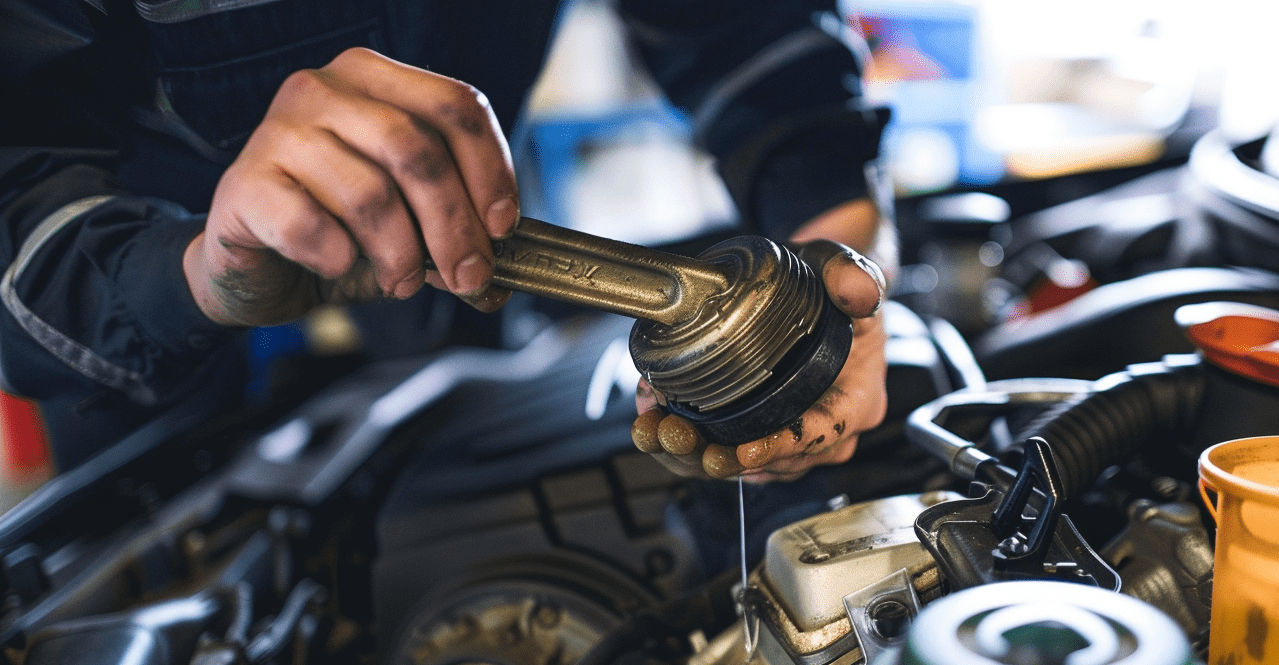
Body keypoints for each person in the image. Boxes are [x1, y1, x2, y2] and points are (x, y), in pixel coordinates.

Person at [0, 0, 894, 480]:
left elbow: (747, 28)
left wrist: (838, 252)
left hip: (463, 260)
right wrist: (196, 273)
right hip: (150, 324)